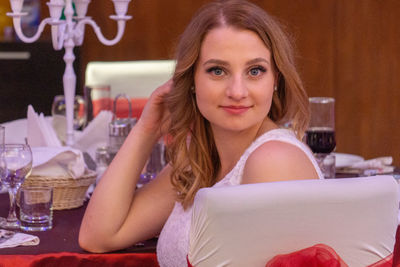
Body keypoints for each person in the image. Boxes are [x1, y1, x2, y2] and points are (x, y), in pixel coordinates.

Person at [79, 0, 324, 266]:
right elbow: (99, 236)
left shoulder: (273, 161)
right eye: (217, 71)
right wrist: (146, 129)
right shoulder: (198, 161)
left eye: (255, 71)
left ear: (275, 79)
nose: (237, 91)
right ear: (191, 80)